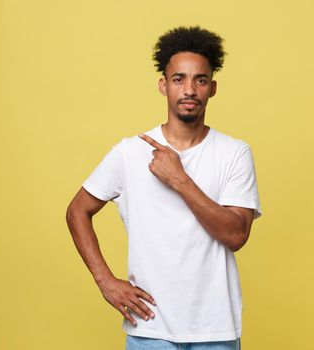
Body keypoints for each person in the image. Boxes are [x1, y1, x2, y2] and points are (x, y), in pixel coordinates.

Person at [66, 26, 262, 350]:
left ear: (212, 88)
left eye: (200, 80)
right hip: (149, 329)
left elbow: (236, 235)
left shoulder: (234, 153)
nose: (189, 89)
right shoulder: (130, 153)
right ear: (163, 86)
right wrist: (105, 281)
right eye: (178, 79)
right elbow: (77, 211)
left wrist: (179, 179)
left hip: (214, 331)